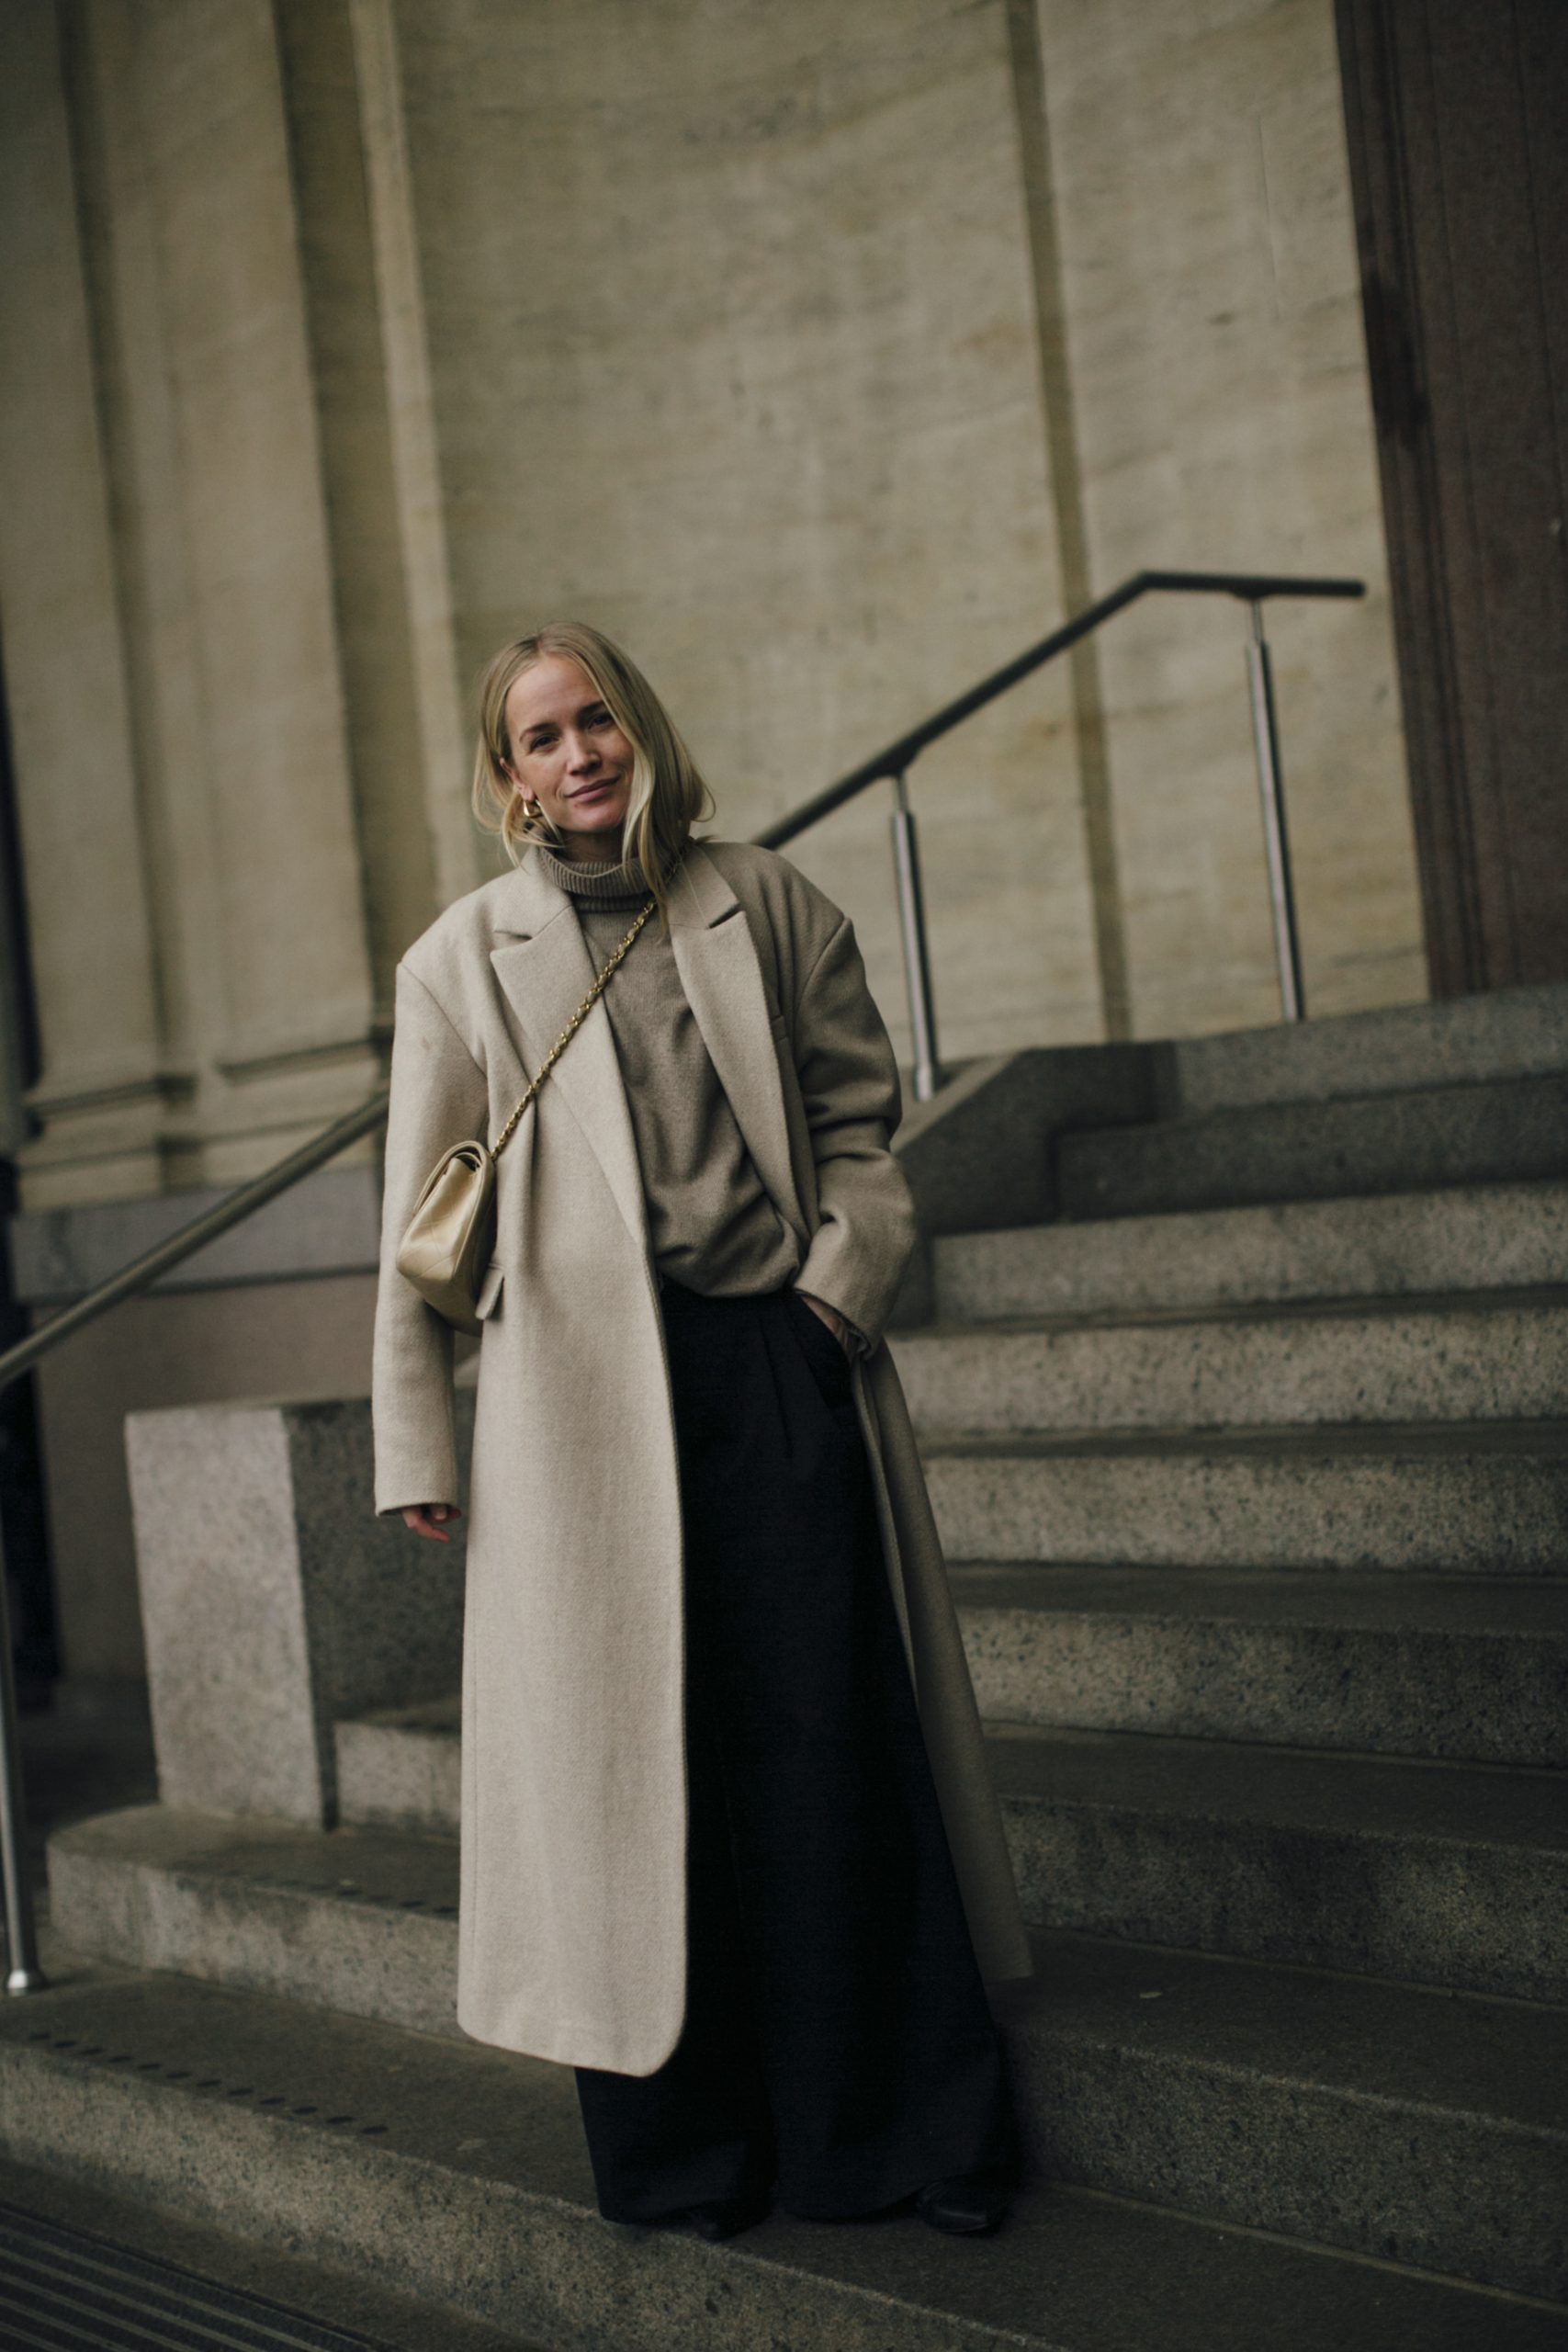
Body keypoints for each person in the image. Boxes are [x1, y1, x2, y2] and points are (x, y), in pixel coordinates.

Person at [371, 622, 1032, 2243]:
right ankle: (688, 2155)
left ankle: (896, 2137)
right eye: (542, 737)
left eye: (597, 719)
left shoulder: (770, 901)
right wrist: (418, 1445)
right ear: (509, 776)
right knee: (631, 1775)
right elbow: (417, 1222)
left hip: (773, 1367)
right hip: (578, 1413)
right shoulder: (461, 961)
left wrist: (829, 1307)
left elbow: (861, 1129)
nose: (579, 753)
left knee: (830, 1748)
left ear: (643, 728)